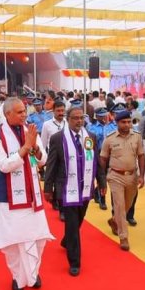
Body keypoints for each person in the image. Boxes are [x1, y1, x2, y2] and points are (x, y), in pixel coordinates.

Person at [0, 97, 54, 290]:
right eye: (19, 112)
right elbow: (4, 165)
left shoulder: (30, 131)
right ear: (7, 114)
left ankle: (33, 273)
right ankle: (18, 276)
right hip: (10, 199)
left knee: (38, 238)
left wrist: (34, 147)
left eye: (24, 111)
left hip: (32, 195)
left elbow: (42, 161)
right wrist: (25, 148)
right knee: (14, 241)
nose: (24, 115)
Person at [44, 105, 106, 276]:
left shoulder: (90, 137)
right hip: (66, 187)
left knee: (79, 218)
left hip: (85, 187)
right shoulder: (57, 138)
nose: (79, 121)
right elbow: (51, 164)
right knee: (71, 223)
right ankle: (74, 261)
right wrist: (48, 188)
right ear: (68, 119)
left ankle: (67, 240)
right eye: (75, 118)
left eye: (81, 118)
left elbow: (97, 163)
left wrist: (102, 182)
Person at [99, 109, 145, 251]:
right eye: (123, 122)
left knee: (127, 204)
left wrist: (142, 175)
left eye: (129, 122)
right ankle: (123, 236)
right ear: (117, 123)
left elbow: (141, 156)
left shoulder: (137, 137)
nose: (127, 125)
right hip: (115, 176)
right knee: (119, 205)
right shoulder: (110, 138)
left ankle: (114, 221)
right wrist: (103, 177)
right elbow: (103, 158)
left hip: (132, 176)